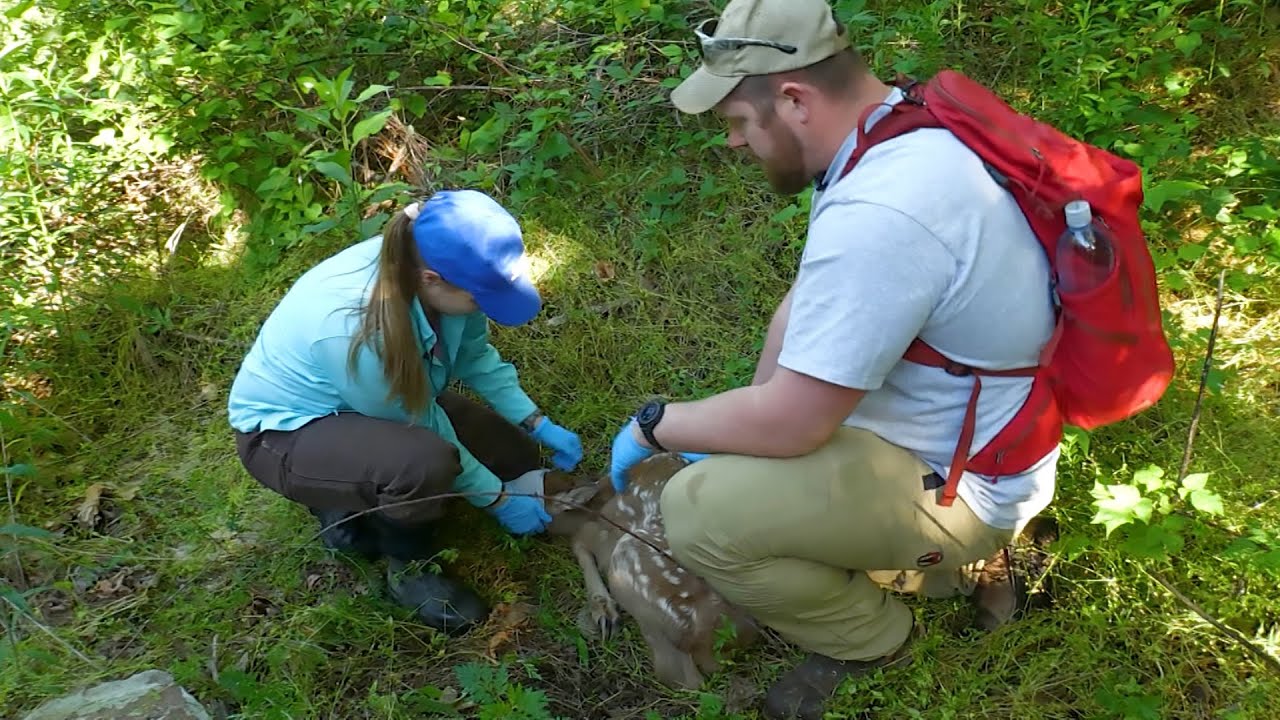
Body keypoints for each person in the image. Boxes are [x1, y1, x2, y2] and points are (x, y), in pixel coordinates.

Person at [607, 0, 1059, 717]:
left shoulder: (884, 214)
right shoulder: (897, 137)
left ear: (792, 99)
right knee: (736, 459)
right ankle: (926, 559)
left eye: (736, 121)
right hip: (973, 437)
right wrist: (740, 436)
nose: (732, 142)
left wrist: (657, 428)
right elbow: (802, 304)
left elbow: (793, 426)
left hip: (961, 479)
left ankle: (874, 636)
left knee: (697, 512)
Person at [227, 189, 583, 636]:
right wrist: (498, 499)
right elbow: (422, 424)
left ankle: (358, 495)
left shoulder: (445, 275)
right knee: (425, 462)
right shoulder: (354, 327)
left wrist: (535, 422)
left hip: (377, 402)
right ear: (432, 279)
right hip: (288, 434)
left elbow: (475, 356)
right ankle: (408, 566)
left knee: (514, 455)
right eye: (480, 298)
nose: (484, 306)